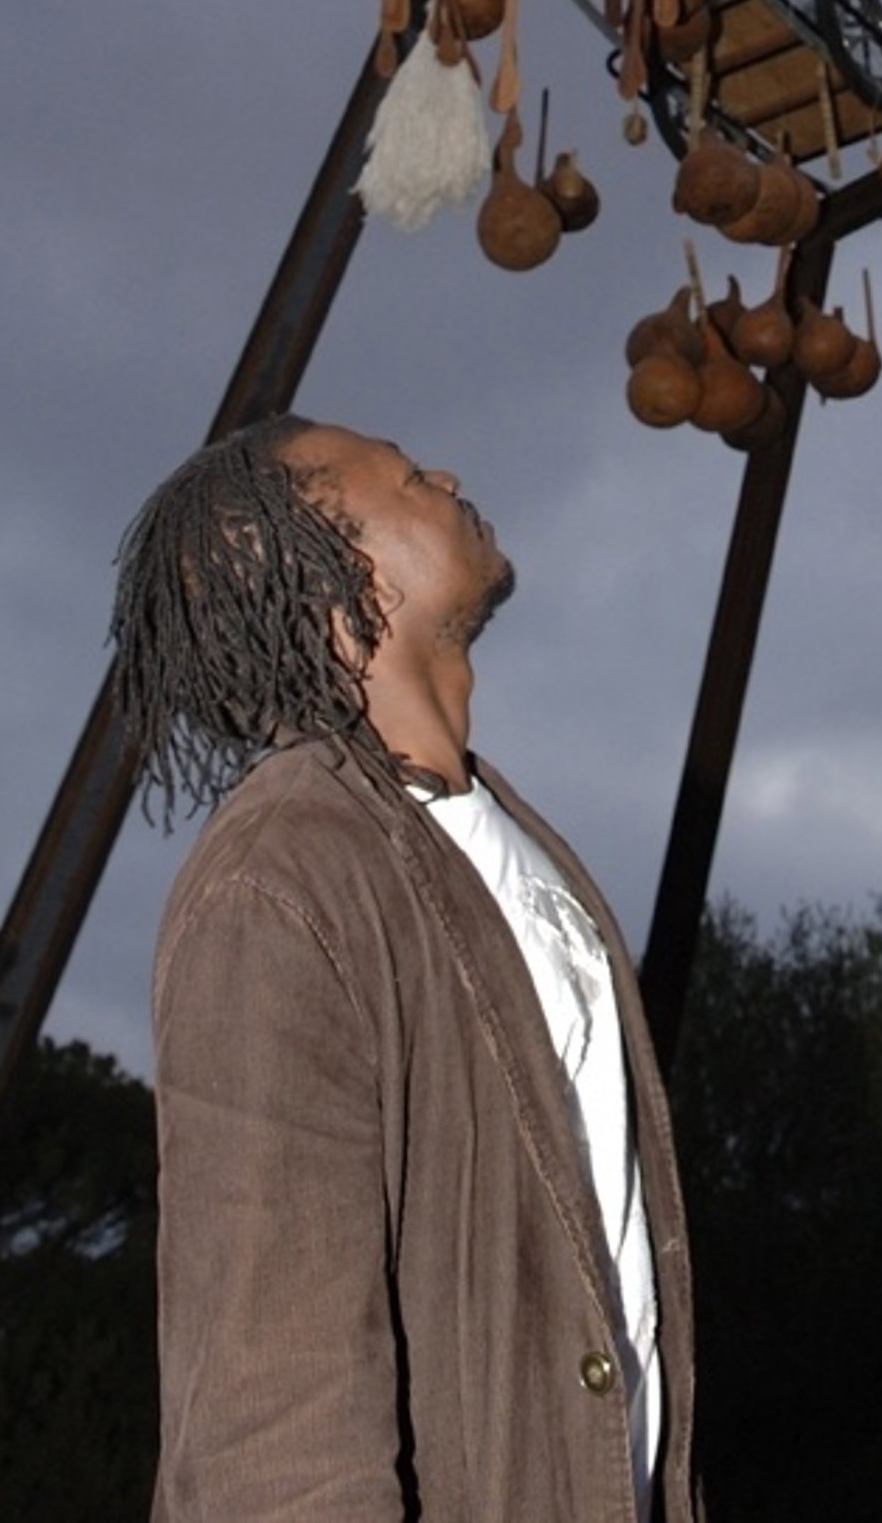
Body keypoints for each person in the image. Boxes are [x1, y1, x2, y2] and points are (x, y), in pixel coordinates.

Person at [110, 414, 698, 1523]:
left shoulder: (503, 839)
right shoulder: (280, 879)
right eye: (410, 477)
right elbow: (268, 1405)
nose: (450, 474)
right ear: (346, 580)